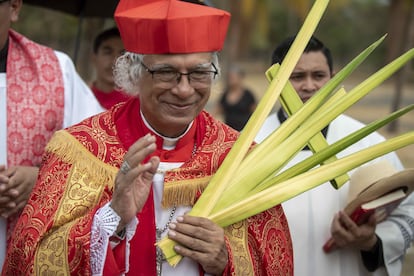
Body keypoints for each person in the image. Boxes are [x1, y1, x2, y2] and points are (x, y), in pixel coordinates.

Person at [3, 0, 293, 275]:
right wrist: (111, 219)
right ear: (134, 73)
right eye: (166, 72)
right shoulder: (79, 149)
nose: (183, 89)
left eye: (198, 73)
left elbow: (275, 260)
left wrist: (226, 259)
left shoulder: (240, 159)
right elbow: (31, 260)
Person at [256, 35, 414, 276]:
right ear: (276, 81)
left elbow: (406, 212)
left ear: (332, 77)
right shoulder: (249, 146)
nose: (309, 86)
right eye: (297, 77)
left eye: (318, 76)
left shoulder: (367, 142)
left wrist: (371, 242)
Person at [0, 0, 104, 271]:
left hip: (32, 253)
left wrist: (41, 179)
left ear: (14, 7)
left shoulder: (58, 70)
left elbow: (101, 152)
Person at [91, 27, 131, 109]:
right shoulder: (80, 97)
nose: (114, 61)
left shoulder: (134, 104)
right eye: (108, 53)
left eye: (122, 54)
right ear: (94, 57)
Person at [216, 65, 256, 131]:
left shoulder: (248, 95)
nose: (231, 80)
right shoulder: (225, 94)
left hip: (245, 131)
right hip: (230, 132)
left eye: (233, 77)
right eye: (229, 77)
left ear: (240, 78)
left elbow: (255, 114)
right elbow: (217, 111)